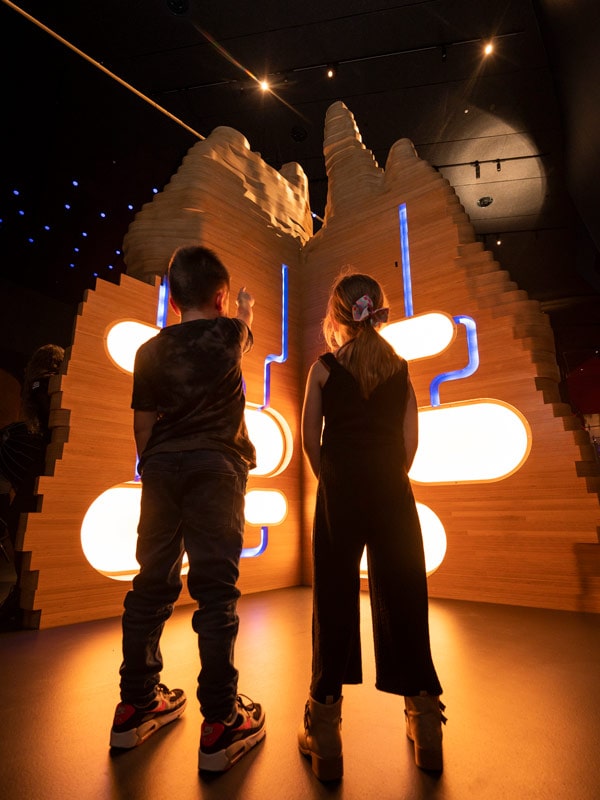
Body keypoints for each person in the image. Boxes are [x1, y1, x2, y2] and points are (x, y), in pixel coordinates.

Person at [110, 245, 265, 773]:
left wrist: (153, 467)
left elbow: (143, 426)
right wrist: (244, 308)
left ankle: (136, 704)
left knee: (150, 583)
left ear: (172, 299)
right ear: (219, 297)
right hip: (216, 470)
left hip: (160, 468)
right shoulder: (228, 334)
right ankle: (221, 720)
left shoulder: (149, 352)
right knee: (216, 592)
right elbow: (246, 326)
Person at [298, 272, 445, 780]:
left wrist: (334, 480)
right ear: (378, 312)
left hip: (341, 493)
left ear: (337, 317)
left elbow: (308, 443)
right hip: (391, 493)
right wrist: (388, 480)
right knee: (405, 595)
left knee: (334, 600)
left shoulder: (322, 369)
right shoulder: (400, 370)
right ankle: (425, 721)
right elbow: (410, 445)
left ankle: (325, 727)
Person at [0, 344, 65, 629]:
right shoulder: (52, 384)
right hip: (46, 464)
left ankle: (21, 600)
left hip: (44, 465)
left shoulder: (43, 384)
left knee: (21, 526)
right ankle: (22, 598)